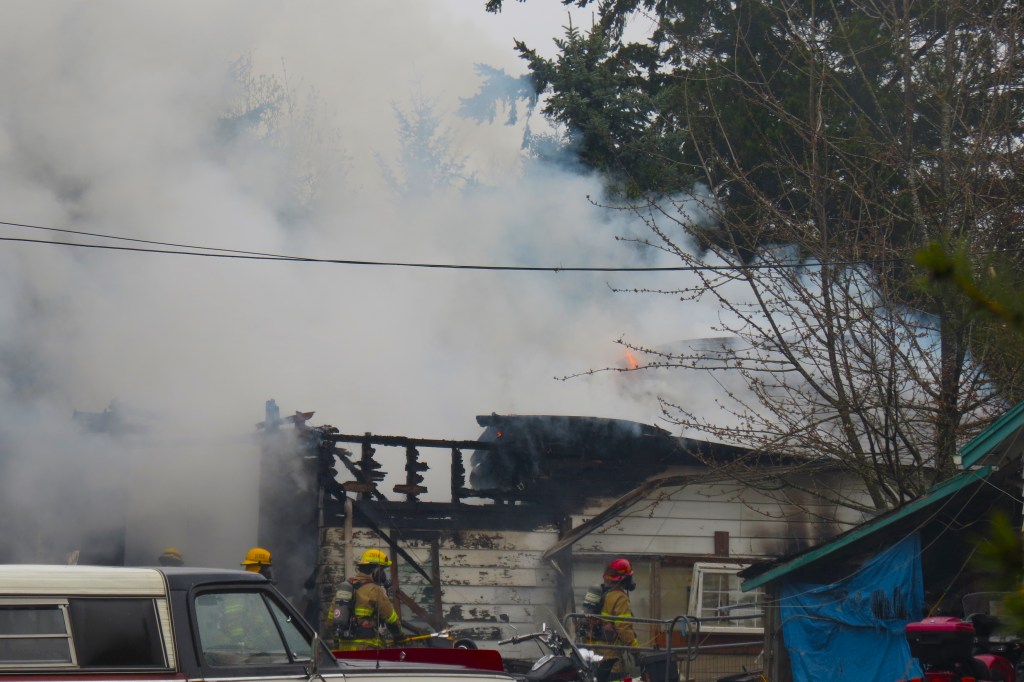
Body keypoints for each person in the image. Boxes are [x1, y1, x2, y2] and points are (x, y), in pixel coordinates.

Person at [333, 548, 402, 650]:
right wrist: (399, 636)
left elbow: (331, 620)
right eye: (382, 570)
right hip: (367, 649)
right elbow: (391, 619)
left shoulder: (345, 589)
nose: (384, 575)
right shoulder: (375, 590)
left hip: (343, 648)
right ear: (377, 571)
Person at [590, 558, 640, 676]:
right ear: (625, 579)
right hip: (611, 653)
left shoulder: (603, 594)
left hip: (595, 649)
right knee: (615, 677)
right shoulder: (620, 598)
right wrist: (636, 650)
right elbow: (624, 627)